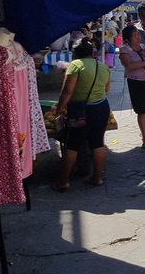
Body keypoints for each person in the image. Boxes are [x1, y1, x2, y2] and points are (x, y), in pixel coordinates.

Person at [52, 38, 112, 191]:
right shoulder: (103, 67)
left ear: (75, 53)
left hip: (80, 111)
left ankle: (63, 182)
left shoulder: (75, 65)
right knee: (97, 142)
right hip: (101, 108)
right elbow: (106, 89)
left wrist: (59, 110)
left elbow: (67, 91)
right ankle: (97, 178)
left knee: (72, 145)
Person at [119, 25, 145, 149]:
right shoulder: (125, 50)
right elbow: (128, 65)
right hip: (137, 83)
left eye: (138, 34)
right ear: (127, 39)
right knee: (142, 110)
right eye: (134, 36)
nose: (137, 37)